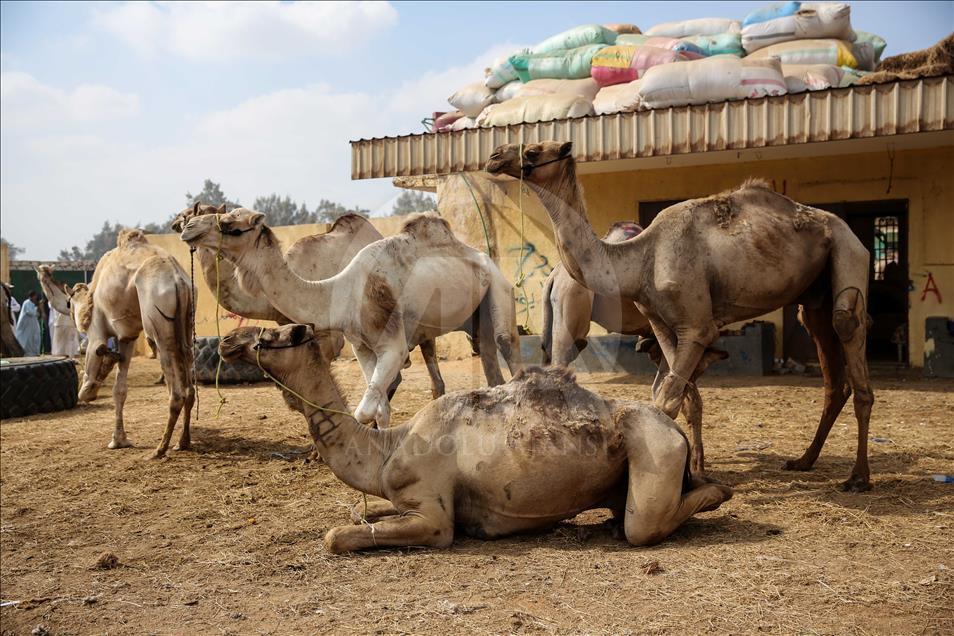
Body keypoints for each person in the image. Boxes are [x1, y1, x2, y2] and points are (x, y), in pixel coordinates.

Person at [15, 290, 42, 356]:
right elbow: (31, 312)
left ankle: (35, 352)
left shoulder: (33, 303)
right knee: (26, 339)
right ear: (32, 296)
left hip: (32, 325)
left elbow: (37, 314)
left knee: (34, 338)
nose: (36, 297)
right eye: (35, 296)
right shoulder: (27, 303)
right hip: (25, 326)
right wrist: (37, 307)